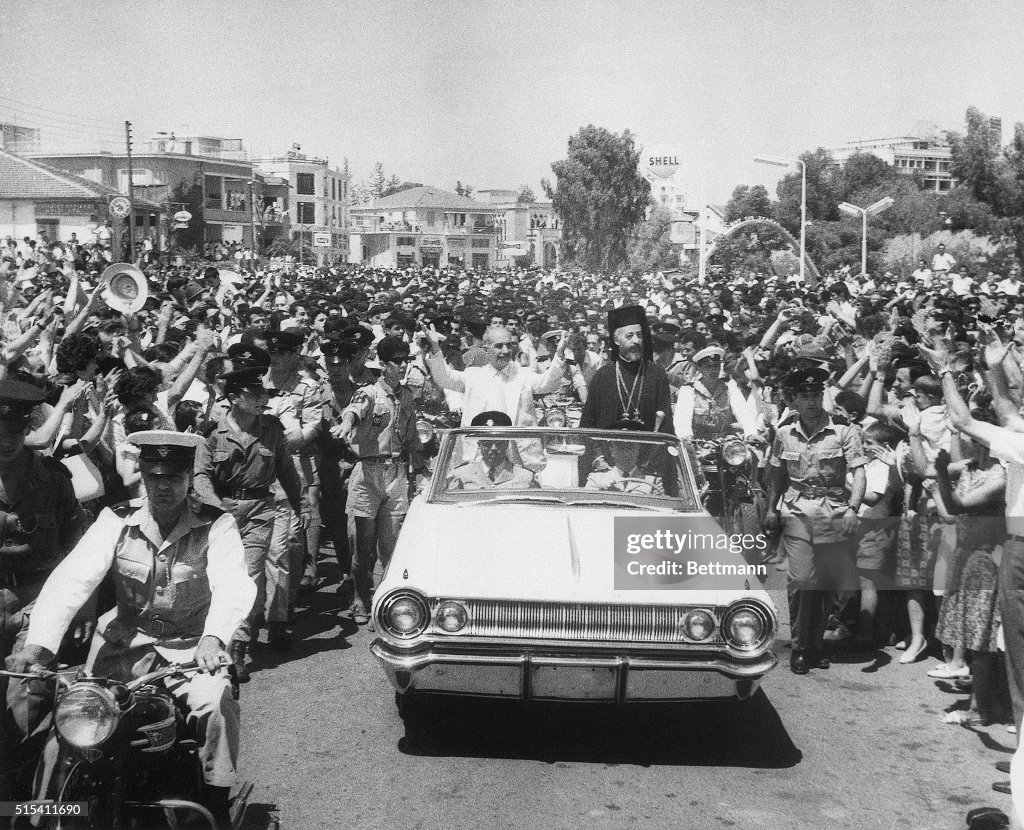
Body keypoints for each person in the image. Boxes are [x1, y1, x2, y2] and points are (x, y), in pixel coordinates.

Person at [5, 430, 255, 828]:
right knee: (72, 722)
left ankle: (215, 803)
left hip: (191, 653)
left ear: (189, 478)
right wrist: (38, 647)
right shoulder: (116, 519)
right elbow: (73, 579)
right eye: (154, 476)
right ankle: (47, 811)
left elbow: (233, 585)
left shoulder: (216, 524)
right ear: (142, 474)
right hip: (121, 651)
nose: (163, 486)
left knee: (214, 705)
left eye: (173, 477)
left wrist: (213, 639)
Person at [0, 380, 84, 802]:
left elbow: (77, 548)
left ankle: (19, 802)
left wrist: (79, 608)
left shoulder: (52, 479)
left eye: (14, 433)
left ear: (27, 430)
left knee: (26, 704)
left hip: (37, 601)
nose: (5, 442)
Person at [193, 358, 302, 681]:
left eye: (263, 393)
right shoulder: (212, 432)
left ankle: (237, 647)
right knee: (217, 577)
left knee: (249, 575)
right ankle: (213, 637)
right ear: (233, 398)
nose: (262, 399)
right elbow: (201, 477)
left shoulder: (272, 430)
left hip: (259, 510)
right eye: (253, 394)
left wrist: (300, 505)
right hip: (221, 511)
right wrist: (217, 509)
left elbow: (286, 471)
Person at [765, 367, 866, 675]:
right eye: (804, 396)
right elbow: (777, 474)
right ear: (794, 400)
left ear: (822, 396)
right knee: (801, 580)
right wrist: (771, 509)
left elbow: (859, 472)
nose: (811, 402)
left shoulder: (844, 431)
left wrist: (853, 508)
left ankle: (816, 644)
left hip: (833, 510)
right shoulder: (784, 433)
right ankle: (799, 646)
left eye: (815, 395)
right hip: (797, 509)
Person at [335, 336, 425, 626]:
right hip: (368, 472)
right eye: (397, 362)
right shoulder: (369, 392)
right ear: (384, 364)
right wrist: (346, 424)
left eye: (406, 360)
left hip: (396, 472)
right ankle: (360, 598)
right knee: (363, 546)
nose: (403, 366)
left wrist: (421, 467)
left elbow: (412, 436)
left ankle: (384, 605)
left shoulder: (407, 397)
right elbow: (353, 411)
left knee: (391, 545)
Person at [581, 305, 673, 434]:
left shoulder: (656, 373)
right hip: (609, 444)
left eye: (639, 335)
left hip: (647, 445)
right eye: (629, 336)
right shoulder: (603, 375)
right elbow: (588, 422)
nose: (636, 341)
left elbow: (666, 422)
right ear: (616, 340)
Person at [447, 410, 538, 490]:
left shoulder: (526, 477)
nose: (494, 448)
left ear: (507, 444)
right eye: (487, 443)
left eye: (499, 443)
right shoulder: (461, 475)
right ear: (479, 444)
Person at [586, 419, 665, 495]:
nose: (626, 452)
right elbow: (588, 502)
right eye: (620, 447)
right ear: (611, 449)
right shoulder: (597, 479)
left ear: (638, 448)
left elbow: (659, 503)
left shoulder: (652, 482)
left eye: (630, 446)